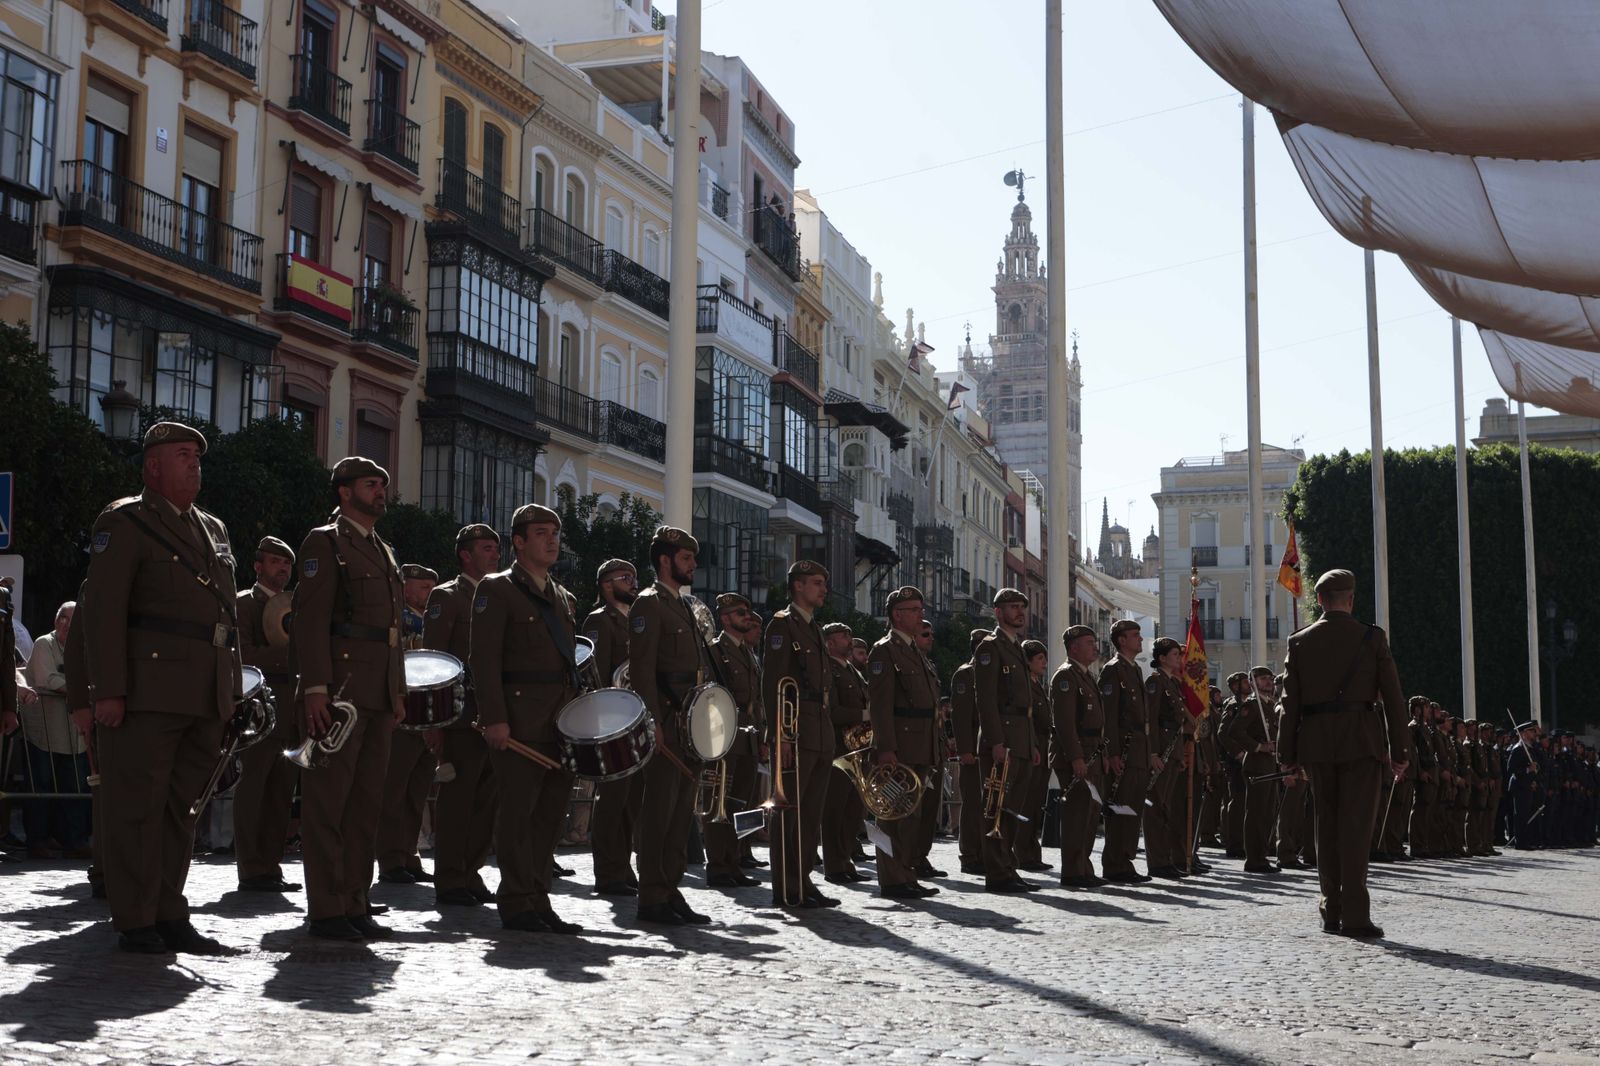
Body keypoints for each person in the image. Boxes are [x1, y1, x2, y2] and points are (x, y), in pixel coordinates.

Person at [83, 421, 241, 954]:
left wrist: (233, 689)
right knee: (137, 807)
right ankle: (135, 918)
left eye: (198, 454)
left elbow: (227, 617)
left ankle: (171, 911)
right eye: (182, 454)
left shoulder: (213, 528)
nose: (195, 463)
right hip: (148, 688)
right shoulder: (125, 521)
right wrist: (106, 690)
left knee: (183, 810)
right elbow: (103, 613)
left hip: (203, 691)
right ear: (153, 466)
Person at [292, 456, 407, 941]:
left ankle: (357, 899)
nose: (380, 491)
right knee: (329, 803)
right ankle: (327, 907)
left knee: (366, 805)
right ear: (344, 492)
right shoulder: (326, 542)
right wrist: (315, 688)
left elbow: (392, 633)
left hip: (378, 692)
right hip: (340, 692)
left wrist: (397, 691)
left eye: (382, 484)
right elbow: (310, 620)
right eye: (369, 484)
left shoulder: (383, 550)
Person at [1277, 568, 1409, 938]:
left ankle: (1330, 908)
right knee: (1356, 828)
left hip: (1318, 743)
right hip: (1361, 742)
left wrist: (1286, 755)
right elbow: (1394, 699)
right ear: (1350, 599)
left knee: (1326, 826)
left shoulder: (1299, 641)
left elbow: (1290, 705)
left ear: (1319, 601)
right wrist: (1399, 749)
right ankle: (1355, 914)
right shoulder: (1371, 637)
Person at [471, 504, 582, 934]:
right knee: (518, 815)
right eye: (540, 533)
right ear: (518, 542)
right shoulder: (496, 590)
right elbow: (484, 659)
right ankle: (517, 901)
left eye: (555, 532)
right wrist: (494, 718)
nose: (551, 540)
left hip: (559, 724)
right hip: (517, 721)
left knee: (549, 816)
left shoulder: (561, 596)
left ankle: (539, 896)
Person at [629, 526, 716, 925]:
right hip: (666, 719)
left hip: (689, 724)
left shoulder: (682, 606)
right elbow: (643, 670)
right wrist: (652, 722)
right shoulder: (649, 604)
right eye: (686, 558)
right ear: (665, 561)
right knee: (660, 812)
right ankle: (651, 895)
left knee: (682, 813)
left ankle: (670, 886)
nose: (693, 564)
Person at [429, 524, 502, 908]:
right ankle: (450, 877)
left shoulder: (501, 597)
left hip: (493, 714)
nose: (494, 555)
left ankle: (471, 870)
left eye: (496, 548)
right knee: (458, 800)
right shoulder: (448, 597)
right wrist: (437, 725)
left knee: (485, 800)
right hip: (460, 715)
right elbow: (434, 664)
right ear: (466, 555)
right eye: (486, 549)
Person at [761, 560, 838, 910]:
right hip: (796, 730)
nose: (824, 589)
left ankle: (803, 879)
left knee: (812, 815)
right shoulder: (782, 625)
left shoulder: (814, 628)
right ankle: (787, 885)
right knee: (790, 813)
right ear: (798, 587)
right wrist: (782, 736)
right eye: (817, 583)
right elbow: (774, 684)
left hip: (819, 728)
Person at [233, 537, 300, 893]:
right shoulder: (245, 604)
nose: (283, 569)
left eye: (287, 563)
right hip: (260, 708)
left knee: (280, 794)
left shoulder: (297, 606)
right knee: (254, 789)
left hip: (292, 710)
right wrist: (292, 659)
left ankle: (271, 865)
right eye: (275, 562)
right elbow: (244, 655)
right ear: (258, 567)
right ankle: (250, 867)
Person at [866, 586, 941, 900]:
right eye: (913, 609)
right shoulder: (885, 650)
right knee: (894, 815)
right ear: (897, 614)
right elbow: (881, 705)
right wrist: (886, 747)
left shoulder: (913, 651)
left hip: (921, 743)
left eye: (920, 608)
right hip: (899, 746)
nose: (920, 614)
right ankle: (893, 878)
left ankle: (906, 873)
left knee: (913, 817)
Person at [376, 563, 440, 885]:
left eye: (431, 587)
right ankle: (390, 858)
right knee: (395, 790)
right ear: (406, 588)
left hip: (427, 713)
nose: (428, 594)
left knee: (417, 790)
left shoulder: (431, 619)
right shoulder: (398, 617)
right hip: (403, 712)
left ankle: (408, 853)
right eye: (423, 587)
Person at [972, 588, 1039, 893]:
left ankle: (1008, 867)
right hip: (1003, 739)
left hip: (1021, 739)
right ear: (998, 612)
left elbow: (1027, 706)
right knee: (996, 809)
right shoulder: (990, 647)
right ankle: (997, 873)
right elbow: (985, 699)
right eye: (1013, 607)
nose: (1020, 612)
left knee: (1012, 810)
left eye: (1022, 606)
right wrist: (995, 741)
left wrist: (1032, 743)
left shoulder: (1016, 648)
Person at [583, 558, 642, 896]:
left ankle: (623, 867)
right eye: (625, 577)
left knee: (630, 801)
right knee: (612, 801)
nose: (633, 582)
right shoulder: (599, 621)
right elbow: (597, 674)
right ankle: (608, 871)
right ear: (606, 585)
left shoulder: (635, 620)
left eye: (634, 576)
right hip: (612, 720)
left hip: (635, 720)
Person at [705, 593, 765, 890]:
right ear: (725, 618)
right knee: (721, 802)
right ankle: (718, 865)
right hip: (726, 734)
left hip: (750, 735)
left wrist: (764, 736)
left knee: (743, 804)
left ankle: (737, 860)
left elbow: (758, 701)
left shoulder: (748, 653)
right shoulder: (716, 651)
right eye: (740, 613)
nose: (747, 617)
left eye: (747, 612)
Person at [23, 602, 91, 859]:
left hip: (73, 735)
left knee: (75, 786)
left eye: (71, 620)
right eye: (61, 617)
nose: (64, 623)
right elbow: (47, 680)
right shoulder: (44, 644)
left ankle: (74, 841)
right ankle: (37, 841)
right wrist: (83, 691)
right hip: (45, 733)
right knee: (40, 786)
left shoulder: (84, 648)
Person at [1052, 624, 1107, 889]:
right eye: (1089, 642)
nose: (1095, 647)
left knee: (1090, 813)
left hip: (1092, 752)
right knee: (1076, 814)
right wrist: (1075, 758)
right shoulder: (1066, 677)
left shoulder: (1086, 676)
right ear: (1073, 647)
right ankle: (1073, 871)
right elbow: (1064, 723)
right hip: (1078, 754)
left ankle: (1083, 866)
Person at [1098, 620, 1151, 882]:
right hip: (1125, 750)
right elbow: (1108, 717)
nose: (1140, 640)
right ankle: (1115, 863)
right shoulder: (1113, 670)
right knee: (1121, 809)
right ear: (1121, 640)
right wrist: (1112, 753)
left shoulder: (1135, 670)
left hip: (1139, 750)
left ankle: (1125, 860)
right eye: (1135, 636)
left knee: (1133, 809)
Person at [1145, 637, 1200, 877]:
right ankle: (1158, 861)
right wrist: (1153, 752)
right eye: (1176, 654)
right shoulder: (1155, 682)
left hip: (1173, 748)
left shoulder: (1172, 683)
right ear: (1162, 658)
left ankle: (1166, 858)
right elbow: (1151, 720)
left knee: (1166, 808)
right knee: (1156, 808)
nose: (1180, 659)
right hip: (1162, 750)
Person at [821, 621, 869, 884]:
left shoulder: (852, 670)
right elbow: (832, 711)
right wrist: (863, 715)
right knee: (835, 810)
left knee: (853, 811)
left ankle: (846, 859)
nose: (849, 639)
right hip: (839, 748)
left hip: (858, 749)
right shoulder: (829, 669)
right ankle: (834, 865)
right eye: (842, 635)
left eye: (850, 634)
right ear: (829, 642)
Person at [1221, 665, 1280, 873]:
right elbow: (1234, 731)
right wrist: (1257, 747)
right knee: (1256, 812)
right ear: (1253, 682)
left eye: (1270, 678)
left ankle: (1261, 855)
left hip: (1270, 764)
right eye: (1263, 679)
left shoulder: (1269, 705)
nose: (1269, 682)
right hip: (1257, 763)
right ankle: (1254, 859)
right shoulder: (1253, 705)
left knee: (1267, 812)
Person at [1012, 639, 1054, 873]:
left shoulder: (1038, 684)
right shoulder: (1026, 685)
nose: (1044, 663)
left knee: (1036, 804)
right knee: (1026, 805)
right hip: (1032, 746)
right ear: (1028, 662)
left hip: (1041, 746)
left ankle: (1031, 852)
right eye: (1039, 659)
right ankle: (1023, 853)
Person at [948, 630, 988, 875]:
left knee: (987, 806)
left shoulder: (989, 674)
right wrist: (965, 749)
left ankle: (984, 852)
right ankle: (970, 855)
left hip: (987, 750)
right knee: (973, 805)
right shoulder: (966, 674)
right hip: (973, 750)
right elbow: (961, 716)